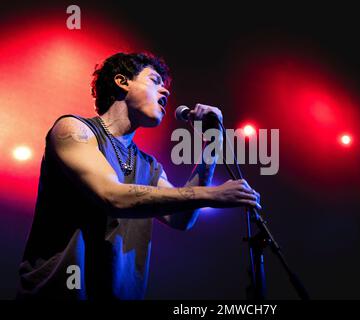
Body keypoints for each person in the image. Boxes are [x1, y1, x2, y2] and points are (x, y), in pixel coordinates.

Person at [17, 52, 261, 300]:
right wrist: (211, 194)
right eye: (155, 81)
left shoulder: (148, 165)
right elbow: (111, 195)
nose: (165, 93)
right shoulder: (73, 129)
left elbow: (181, 219)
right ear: (122, 81)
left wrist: (213, 143)